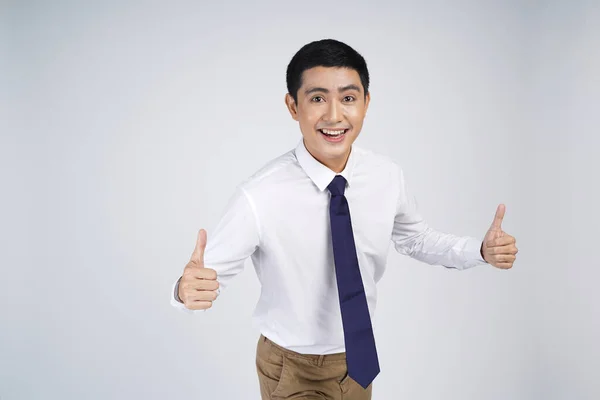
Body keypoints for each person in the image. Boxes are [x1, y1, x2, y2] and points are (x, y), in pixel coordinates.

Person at [170, 39, 519, 400]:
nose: (334, 115)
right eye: (318, 98)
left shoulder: (386, 175)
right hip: (292, 366)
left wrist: (478, 250)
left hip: (357, 360)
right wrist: (185, 289)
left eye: (348, 98)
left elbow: (415, 239)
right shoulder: (259, 194)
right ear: (293, 106)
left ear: (366, 103)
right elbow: (206, 276)